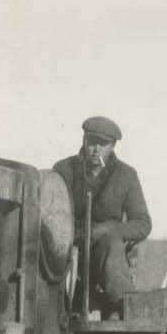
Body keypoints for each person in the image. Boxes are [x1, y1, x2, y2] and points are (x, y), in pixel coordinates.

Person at [52, 115, 152, 317]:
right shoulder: (63, 170)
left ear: (113, 146)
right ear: (83, 141)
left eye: (103, 144)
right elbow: (50, 214)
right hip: (66, 249)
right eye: (92, 142)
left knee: (111, 243)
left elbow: (142, 224)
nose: (96, 149)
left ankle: (122, 307)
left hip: (104, 254)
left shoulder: (126, 175)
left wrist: (108, 229)